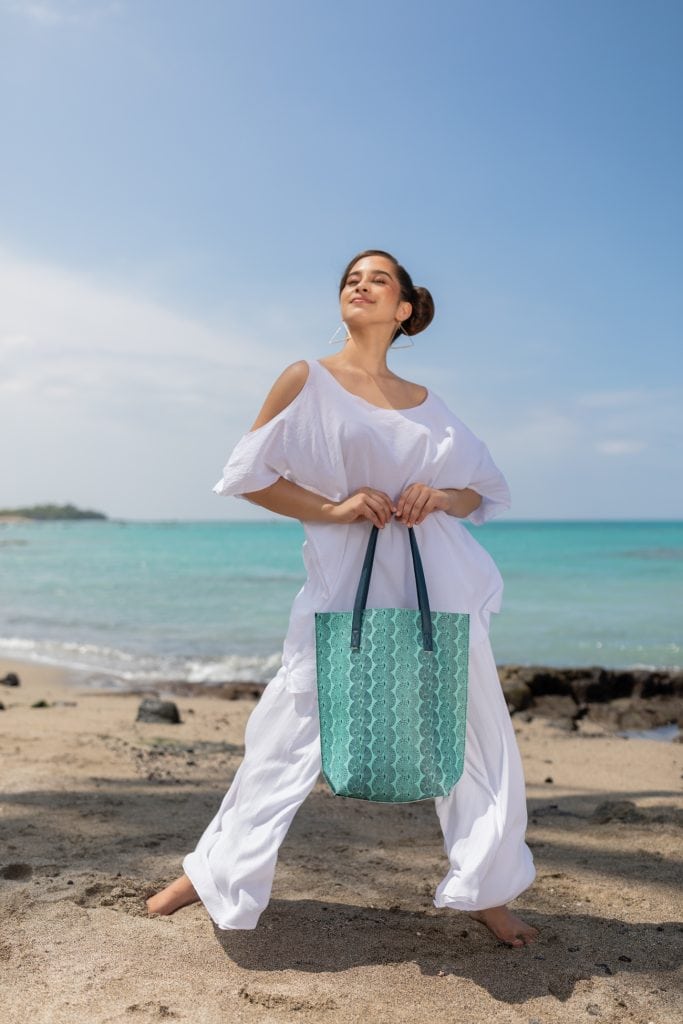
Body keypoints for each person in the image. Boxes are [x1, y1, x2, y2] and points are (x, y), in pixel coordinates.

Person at [147, 249, 538, 947]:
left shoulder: (432, 405)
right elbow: (249, 473)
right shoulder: (307, 380)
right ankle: (213, 873)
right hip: (344, 592)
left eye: (377, 279)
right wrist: (334, 508)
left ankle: (486, 887)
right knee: (285, 733)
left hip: (438, 590)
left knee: (477, 738)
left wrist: (439, 494)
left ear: (404, 309)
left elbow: (482, 489)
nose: (359, 285)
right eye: (350, 279)